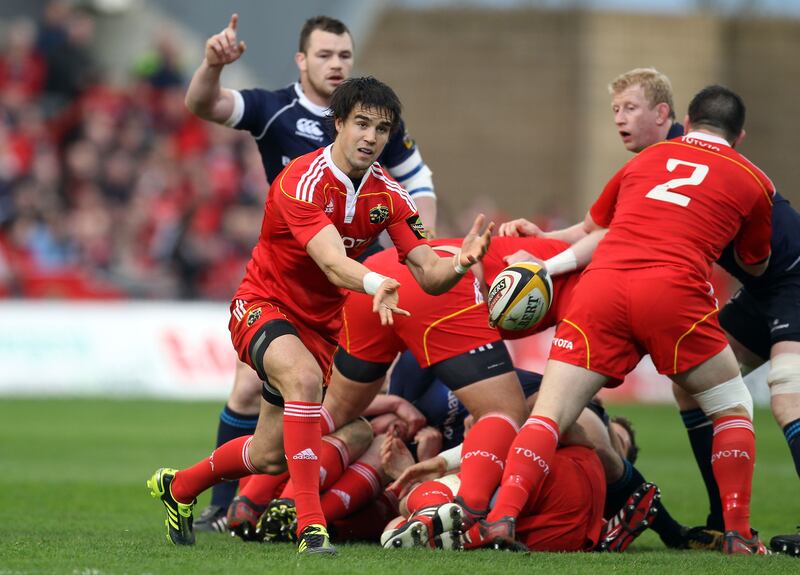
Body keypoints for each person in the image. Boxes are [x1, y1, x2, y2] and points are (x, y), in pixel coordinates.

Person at [147, 76, 493, 555]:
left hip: (320, 328)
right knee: (305, 382)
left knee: (269, 456)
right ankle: (312, 528)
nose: (371, 137)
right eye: (362, 124)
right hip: (264, 305)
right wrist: (375, 282)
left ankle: (179, 486)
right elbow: (331, 260)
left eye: (382, 129)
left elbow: (430, 273)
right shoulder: (302, 179)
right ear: (338, 124)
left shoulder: (390, 195)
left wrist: (459, 261)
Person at [505, 68, 800, 555]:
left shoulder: (676, 155)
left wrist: (542, 257)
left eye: (630, 109)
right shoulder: (671, 158)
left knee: (786, 398)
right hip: (758, 285)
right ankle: (724, 521)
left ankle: (736, 527)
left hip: (790, 280)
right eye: (615, 110)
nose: (619, 120)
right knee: (694, 391)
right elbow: (600, 231)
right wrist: (537, 241)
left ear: (670, 116)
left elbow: (599, 235)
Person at [183, 14, 440, 532]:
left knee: (282, 443)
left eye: (344, 55)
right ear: (301, 60)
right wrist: (212, 65)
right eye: (325, 55)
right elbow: (204, 105)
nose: (336, 64)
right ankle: (274, 516)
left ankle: (188, 487)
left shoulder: (379, 131)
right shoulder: (273, 109)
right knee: (255, 388)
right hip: (282, 278)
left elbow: (419, 188)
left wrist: (424, 252)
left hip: (339, 296)